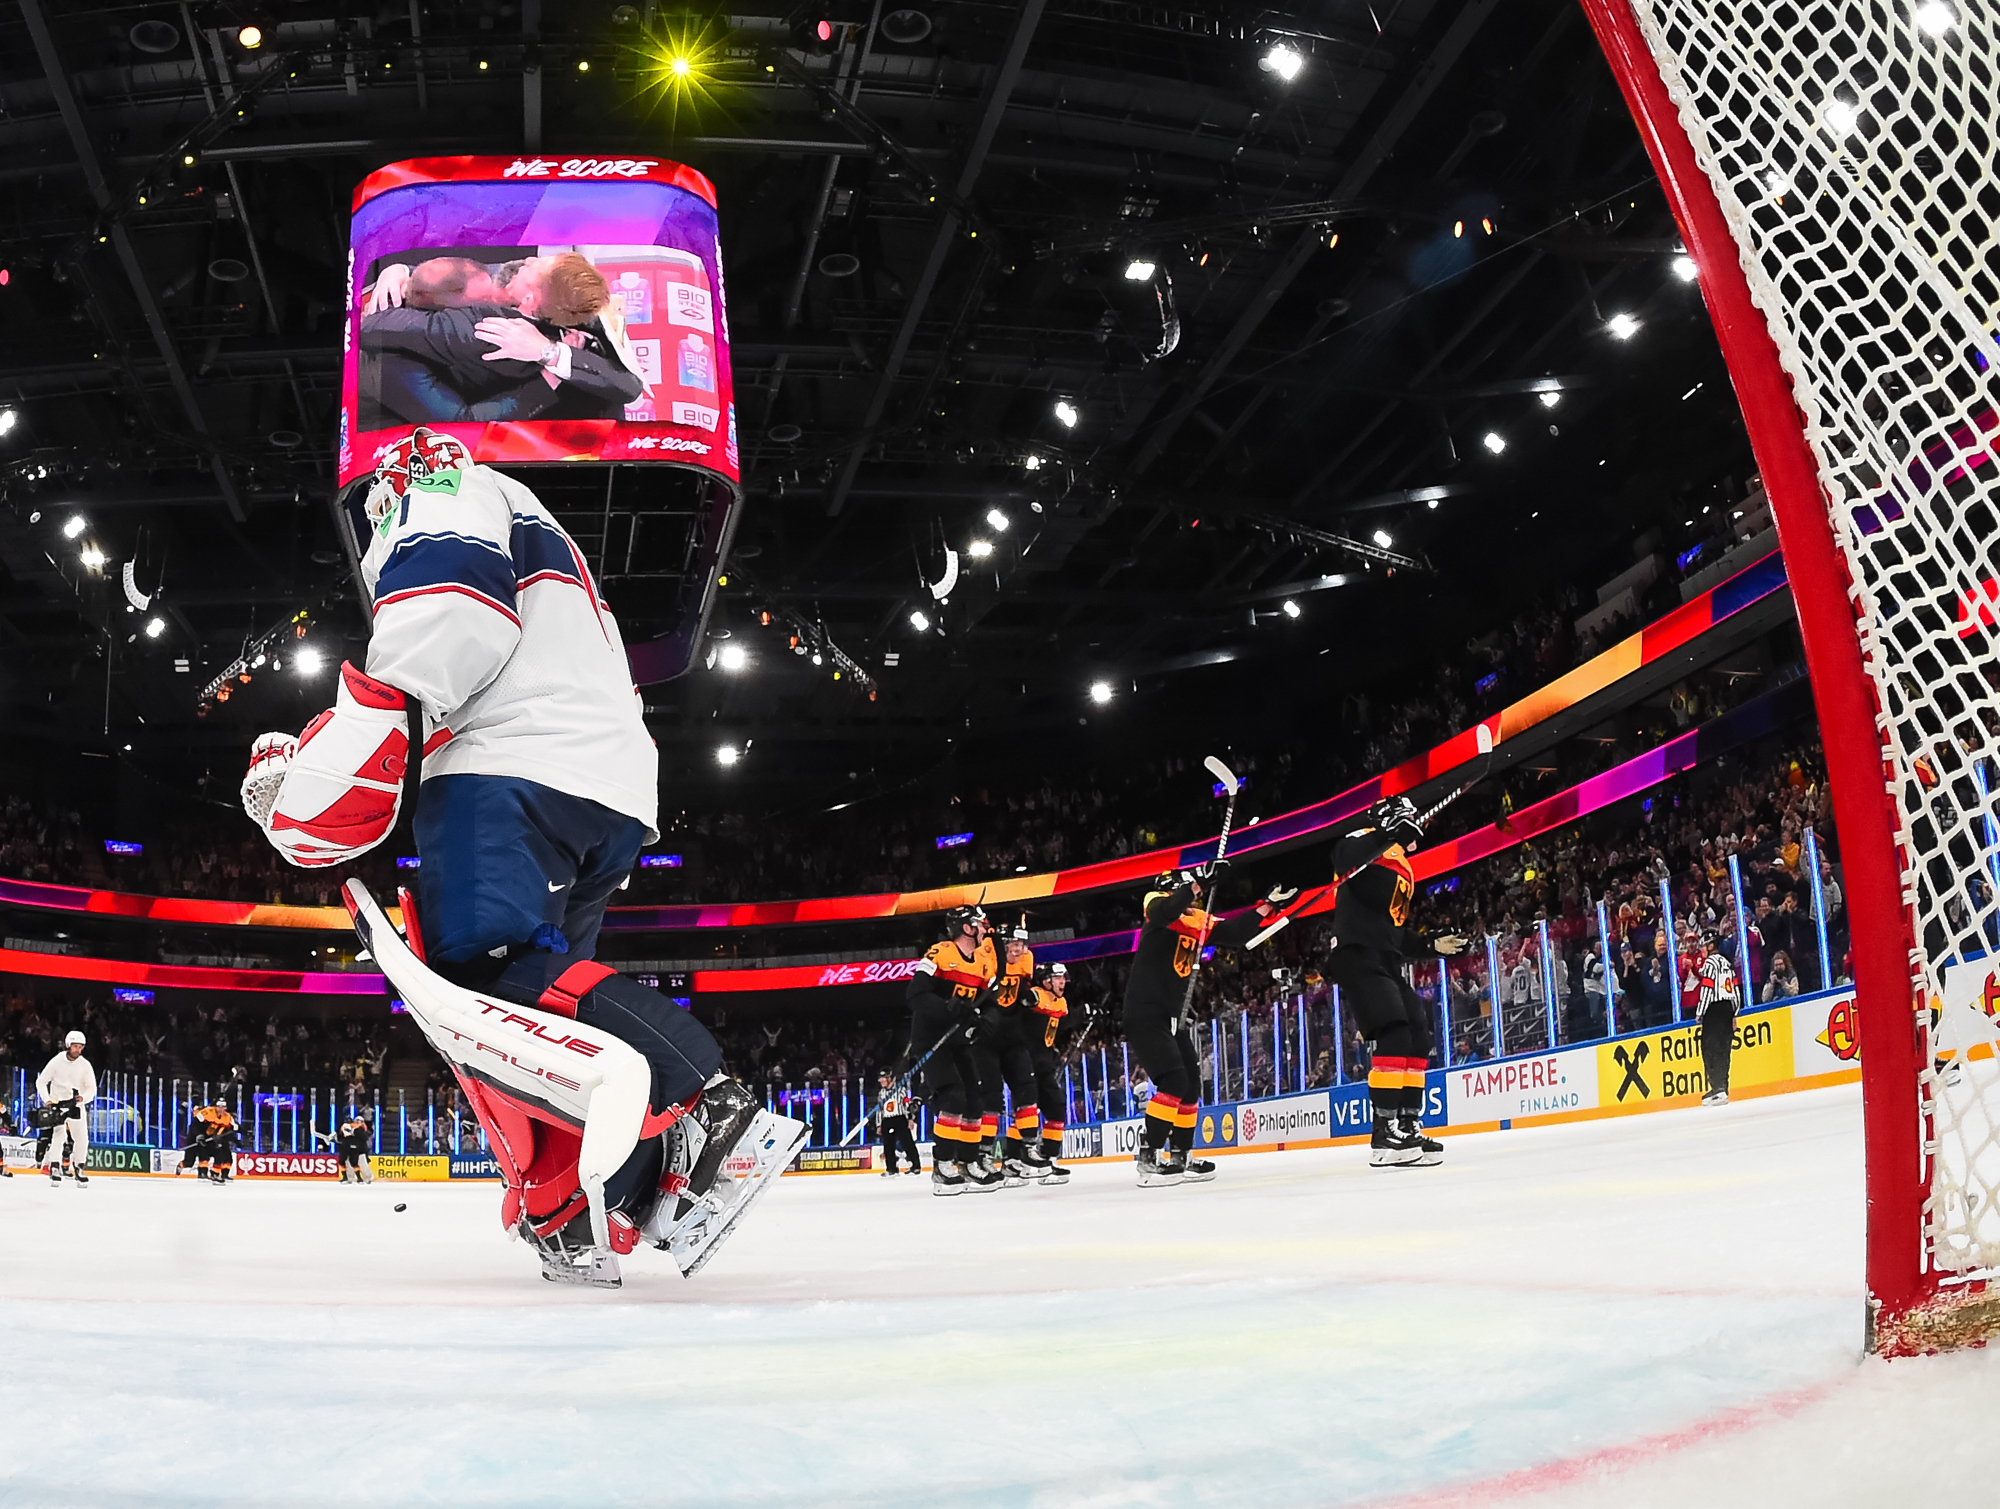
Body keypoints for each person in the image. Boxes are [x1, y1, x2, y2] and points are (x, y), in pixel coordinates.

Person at [240, 430, 779, 1286]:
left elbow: (448, 606)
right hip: (601, 781)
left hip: (511, 765)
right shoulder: (539, 533)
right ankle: (607, 1197)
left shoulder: (440, 481)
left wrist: (329, 758)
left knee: (479, 982)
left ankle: (705, 1099)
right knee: (545, 1026)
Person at [1123, 867, 1292, 1187]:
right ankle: (1149, 1157)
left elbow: (1236, 932)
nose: (1193, 899)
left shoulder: (1195, 920)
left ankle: (1181, 1155)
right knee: (1173, 1080)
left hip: (1172, 1017)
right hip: (1145, 1014)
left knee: (1190, 1086)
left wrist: (1268, 905)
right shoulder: (1156, 905)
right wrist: (1197, 884)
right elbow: (1166, 910)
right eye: (1187, 891)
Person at [1324, 798, 1467, 1169]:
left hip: (1384, 956)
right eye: (1409, 821)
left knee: (1418, 1034)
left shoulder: (1402, 865)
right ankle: (1383, 1133)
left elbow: (1394, 931)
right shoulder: (1364, 840)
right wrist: (1387, 834)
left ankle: (1406, 1124)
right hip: (1356, 952)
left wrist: (1430, 945)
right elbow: (1343, 859)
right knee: (1394, 1030)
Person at [359, 254, 644, 424]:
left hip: (591, 420)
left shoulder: (558, 297)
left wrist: (550, 352)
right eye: (486, 300)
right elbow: (462, 421)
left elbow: (628, 386)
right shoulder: (469, 328)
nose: (528, 260)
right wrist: (546, 377)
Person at [902, 906, 1004, 1195]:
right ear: (967, 928)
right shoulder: (939, 953)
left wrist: (988, 1020)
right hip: (932, 1039)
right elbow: (915, 994)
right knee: (953, 1095)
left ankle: (968, 1163)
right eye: (980, 924)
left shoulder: (982, 962)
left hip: (959, 1040)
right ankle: (943, 1165)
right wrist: (947, 1007)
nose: (985, 929)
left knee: (974, 1099)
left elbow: (990, 1002)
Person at [976, 924, 1048, 1181]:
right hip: (986, 1039)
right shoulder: (985, 956)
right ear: (1002, 944)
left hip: (1013, 1036)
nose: (1019, 950)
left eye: (1021, 945)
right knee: (991, 1097)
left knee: (1027, 1089)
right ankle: (983, 1153)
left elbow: (1025, 990)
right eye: (1014, 945)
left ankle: (1027, 1148)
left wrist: (1031, 996)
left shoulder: (1026, 960)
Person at [1023, 962, 1077, 1185]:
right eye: (1057, 978)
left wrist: (1080, 1016)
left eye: (1063, 978)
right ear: (1045, 981)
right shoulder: (1035, 995)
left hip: (1045, 1064)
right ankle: (1016, 1161)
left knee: (1056, 1108)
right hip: (1026, 1062)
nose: (1062, 982)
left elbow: (1057, 1031)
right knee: (1026, 1111)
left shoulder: (1061, 1003)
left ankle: (1048, 1158)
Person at [37, 1029, 95, 1185]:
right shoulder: (57, 1061)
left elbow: (92, 1088)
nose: (78, 1050)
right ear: (68, 1045)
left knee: (82, 1138)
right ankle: (54, 1166)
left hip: (76, 1105)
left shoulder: (85, 1065)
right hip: (58, 1104)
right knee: (59, 1136)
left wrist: (84, 1098)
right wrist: (47, 1100)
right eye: (75, 1046)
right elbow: (41, 1081)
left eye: (80, 1047)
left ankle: (79, 1167)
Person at [1694, 931, 1741, 1105]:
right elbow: (1735, 991)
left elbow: (1707, 988)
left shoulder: (1711, 962)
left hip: (1714, 1009)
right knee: (1724, 1048)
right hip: (1728, 1008)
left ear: (1711, 945)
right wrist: (1735, 1013)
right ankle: (1722, 1087)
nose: (1702, 950)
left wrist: (1700, 1011)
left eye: (1704, 946)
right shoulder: (1727, 963)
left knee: (1710, 1048)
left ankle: (1717, 1088)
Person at [872, 1072, 921, 1177]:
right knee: (888, 1145)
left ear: (889, 1079)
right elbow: (879, 1110)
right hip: (887, 1119)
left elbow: (907, 1105)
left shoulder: (900, 1090)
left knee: (907, 1142)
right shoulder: (881, 1093)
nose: (881, 1081)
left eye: (883, 1078)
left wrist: (910, 1119)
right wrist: (879, 1124)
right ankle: (891, 1169)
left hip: (899, 1118)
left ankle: (915, 1166)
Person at [179, 1100, 238, 1183]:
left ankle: (214, 1174)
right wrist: (198, 1135)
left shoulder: (227, 1116)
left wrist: (243, 1134)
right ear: (215, 1107)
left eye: (223, 1107)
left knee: (218, 1154)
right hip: (196, 1137)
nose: (221, 1109)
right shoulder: (207, 1112)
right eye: (219, 1107)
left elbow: (234, 1127)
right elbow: (194, 1125)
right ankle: (184, 1167)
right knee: (189, 1161)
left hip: (210, 1138)